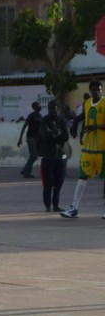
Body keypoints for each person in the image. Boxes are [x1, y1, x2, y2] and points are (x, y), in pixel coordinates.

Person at [60, 80, 105, 219]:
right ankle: (74, 208)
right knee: (82, 177)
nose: (97, 91)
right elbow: (84, 117)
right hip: (88, 148)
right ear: (90, 91)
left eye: (99, 89)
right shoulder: (86, 103)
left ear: (102, 90)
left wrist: (96, 127)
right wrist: (74, 124)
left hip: (103, 150)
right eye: (94, 89)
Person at [37, 99, 69, 213]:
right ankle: (47, 206)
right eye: (51, 109)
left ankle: (56, 205)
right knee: (48, 183)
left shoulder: (62, 120)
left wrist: (54, 134)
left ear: (58, 109)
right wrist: (57, 132)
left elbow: (66, 136)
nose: (53, 111)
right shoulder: (43, 120)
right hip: (47, 157)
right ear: (48, 109)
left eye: (55, 109)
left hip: (61, 156)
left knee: (59, 182)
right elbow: (45, 134)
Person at [18, 101, 42, 178]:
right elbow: (24, 126)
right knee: (34, 155)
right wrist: (20, 138)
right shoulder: (31, 115)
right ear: (34, 107)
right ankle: (26, 172)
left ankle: (25, 170)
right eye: (38, 105)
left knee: (34, 155)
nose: (40, 106)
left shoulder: (40, 115)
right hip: (31, 138)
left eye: (39, 105)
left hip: (37, 138)